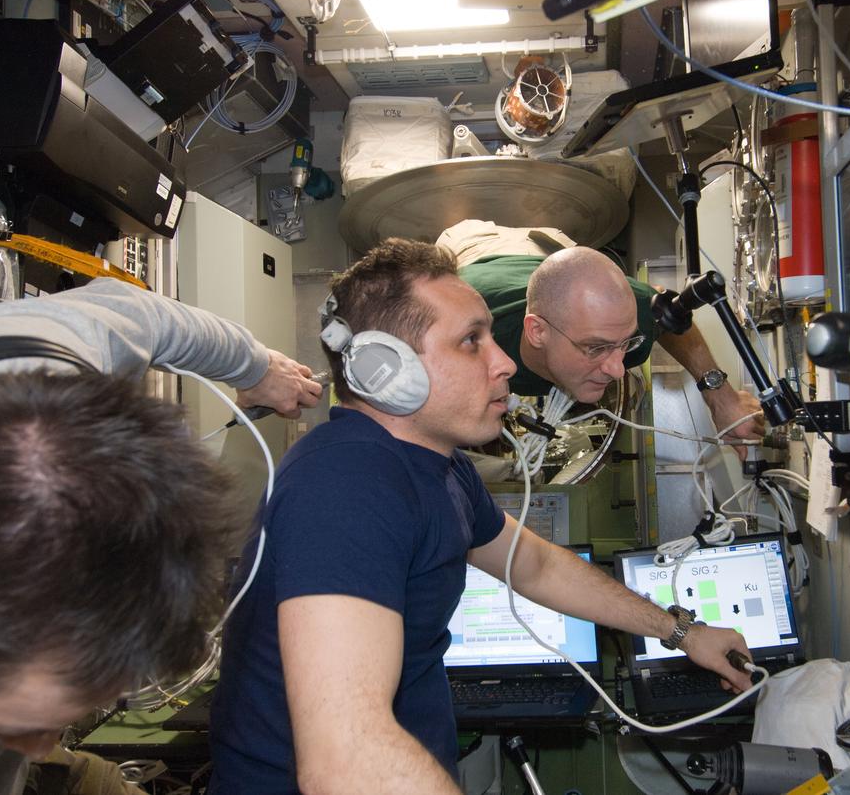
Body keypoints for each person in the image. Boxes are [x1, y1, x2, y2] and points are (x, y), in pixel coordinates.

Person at [208, 238, 754, 794]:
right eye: (472, 341)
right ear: (384, 369)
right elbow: (347, 761)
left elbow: (535, 567)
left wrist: (681, 631)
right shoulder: (346, 484)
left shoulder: (436, 466)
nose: (506, 363)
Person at [0, 278, 322, 794]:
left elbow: (140, 313)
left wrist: (258, 368)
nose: (44, 742)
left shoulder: (35, 359)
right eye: (1, 723)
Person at [456, 240, 765, 443]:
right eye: (596, 348)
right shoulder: (465, 337)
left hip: (551, 266)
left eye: (625, 343)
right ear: (537, 332)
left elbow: (666, 311)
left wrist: (722, 398)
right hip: (480, 251)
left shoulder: (619, 319)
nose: (618, 370)